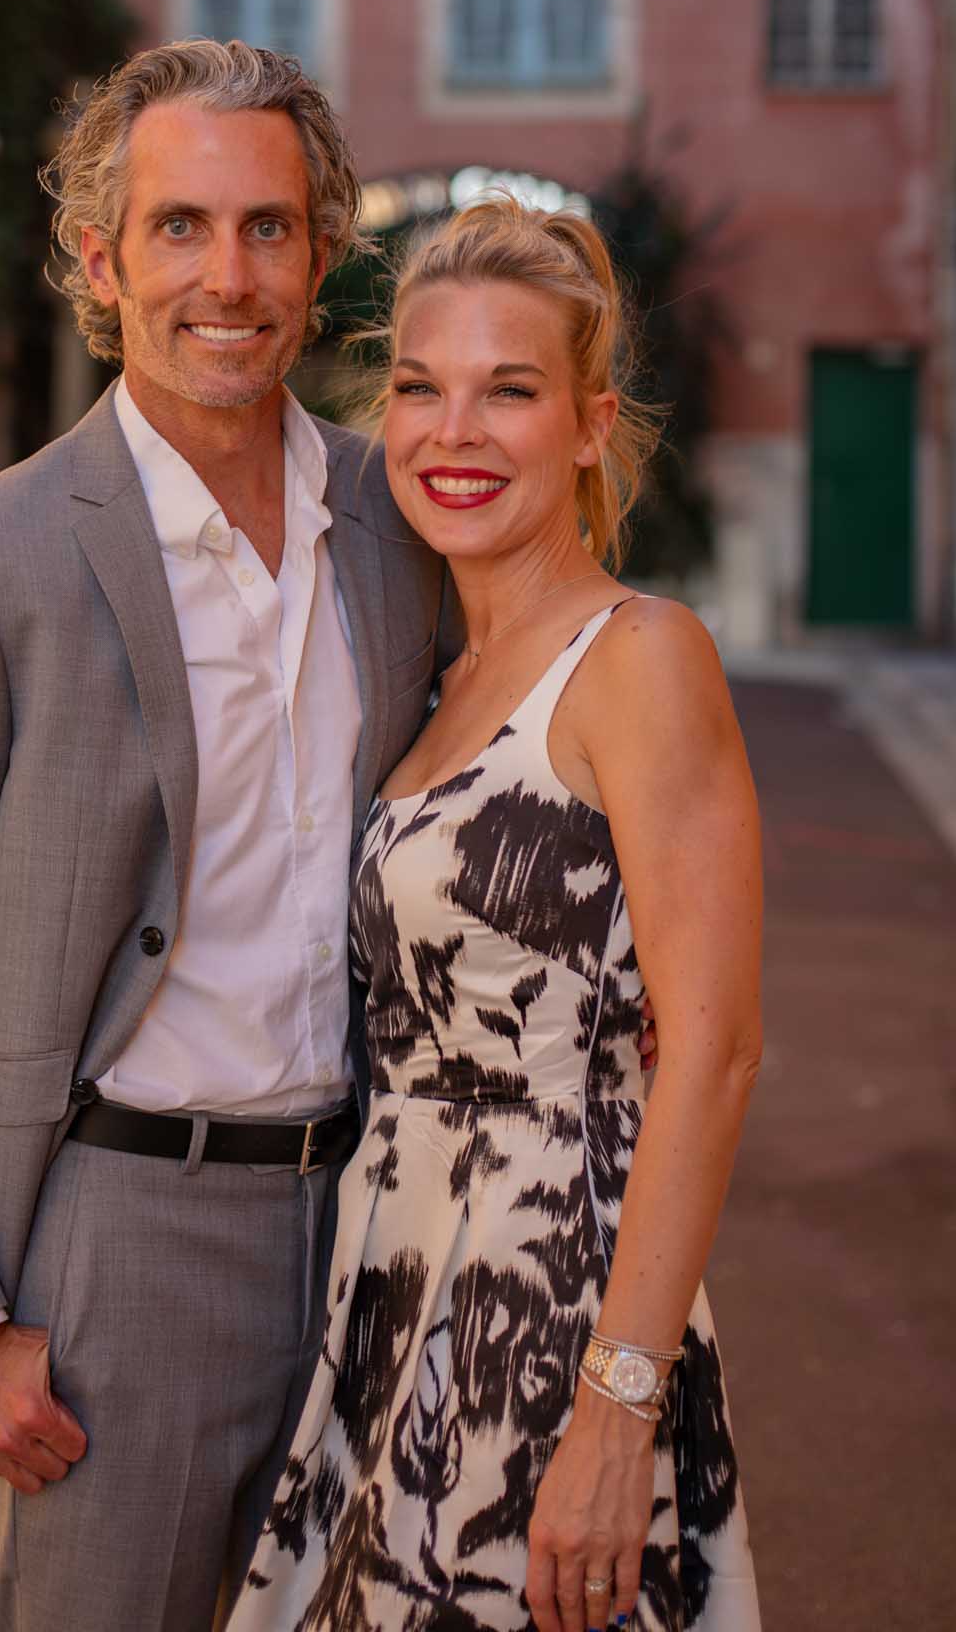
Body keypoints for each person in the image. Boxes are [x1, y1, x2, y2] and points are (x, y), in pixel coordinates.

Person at [0, 39, 459, 1632]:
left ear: (320, 254)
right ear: (101, 262)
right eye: (180, 227)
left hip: (380, 1233)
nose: (225, 278)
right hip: (122, 1243)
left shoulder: (402, 524)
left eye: (266, 228)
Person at [229, 195, 763, 1632]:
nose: (452, 432)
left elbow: (712, 1054)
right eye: (420, 387)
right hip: (392, 1283)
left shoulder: (640, 658)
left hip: (550, 1308)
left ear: (591, 426)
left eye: (508, 392)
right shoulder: (436, 675)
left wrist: (618, 1412)